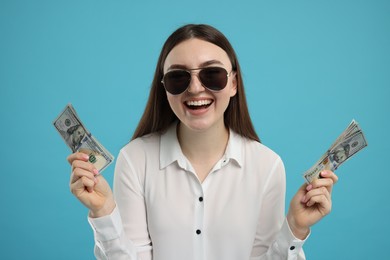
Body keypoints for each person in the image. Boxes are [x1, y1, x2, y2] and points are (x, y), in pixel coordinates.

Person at [67, 24, 338, 260]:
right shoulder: (136, 159)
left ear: (234, 83)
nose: (195, 88)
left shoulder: (267, 165)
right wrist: (104, 212)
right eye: (178, 77)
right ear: (165, 89)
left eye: (212, 75)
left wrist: (295, 228)